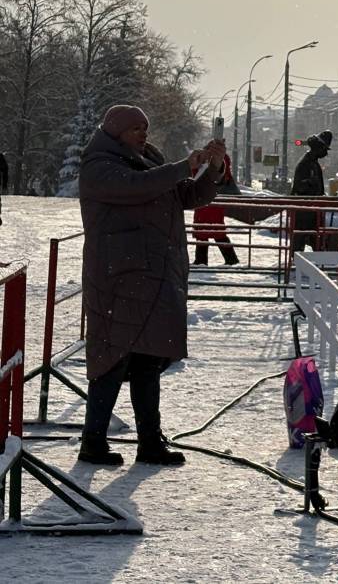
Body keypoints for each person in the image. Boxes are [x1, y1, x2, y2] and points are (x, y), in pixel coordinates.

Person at [77, 104, 227, 466]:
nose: (143, 134)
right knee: (112, 359)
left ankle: (149, 442)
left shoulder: (148, 159)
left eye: (145, 127)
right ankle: (93, 441)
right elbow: (137, 188)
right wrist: (181, 167)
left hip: (153, 275)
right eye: (135, 129)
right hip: (118, 279)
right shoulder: (99, 166)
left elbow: (189, 196)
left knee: (148, 359)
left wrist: (212, 168)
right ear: (116, 131)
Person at [193, 153, 240, 266]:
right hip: (211, 200)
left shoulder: (212, 162)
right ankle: (229, 258)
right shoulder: (221, 161)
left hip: (207, 200)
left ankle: (202, 260)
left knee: (206, 231)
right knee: (214, 231)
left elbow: (196, 176)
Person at [290, 130, 332, 254]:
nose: (325, 153)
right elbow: (299, 187)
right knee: (303, 237)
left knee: (314, 238)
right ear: (318, 148)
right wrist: (310, 184)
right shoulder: (306, 163)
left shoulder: (312, 163)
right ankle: (297, 263)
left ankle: (316, 262)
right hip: (305, 209)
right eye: (324, 149)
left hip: (311, 208)